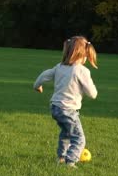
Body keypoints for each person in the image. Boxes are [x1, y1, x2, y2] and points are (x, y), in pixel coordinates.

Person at [33, 36, 98, 168]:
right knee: (79, 138)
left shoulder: (60, 67)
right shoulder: (82, 70)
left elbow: (45, 74)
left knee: (66, 134)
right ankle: (71, 162)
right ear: (84, 54)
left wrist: (37, 85)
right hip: (68, 110)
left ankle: (61, 157)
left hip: (55, 108)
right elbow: (92, 94)